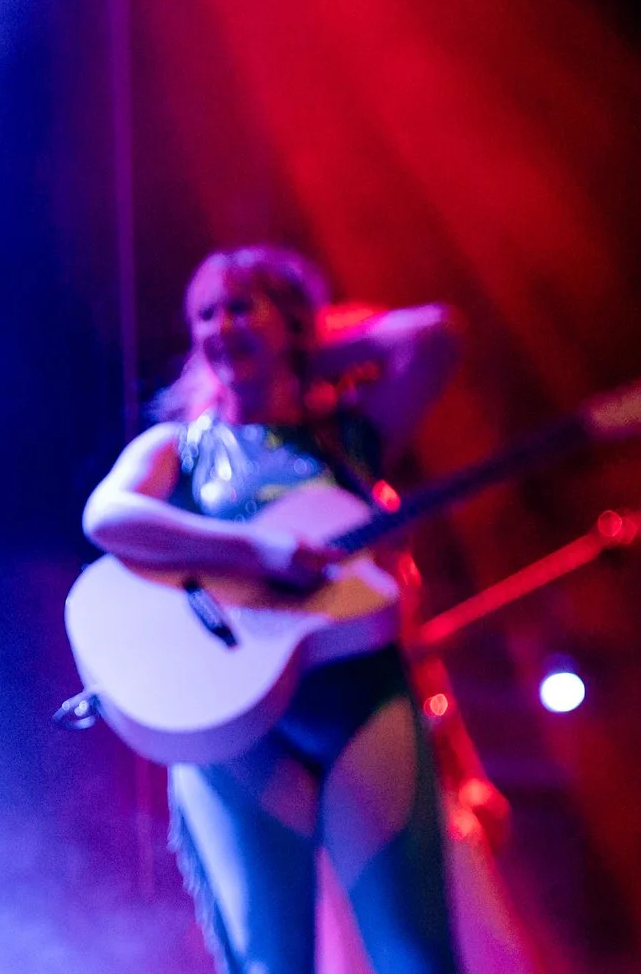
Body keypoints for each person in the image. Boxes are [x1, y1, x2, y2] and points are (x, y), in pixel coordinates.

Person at [82, 245, 464, 973]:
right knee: (269, 963)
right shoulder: (181, 447)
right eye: (205, 315)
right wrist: (258, 553)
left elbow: (437, 335)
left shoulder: (349, 438)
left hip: (360, 701)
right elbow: (108, 515)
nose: (220, 327)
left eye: (241, 308)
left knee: (416, 956)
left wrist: (311, 353)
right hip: (232, 725)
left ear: (290, 320)